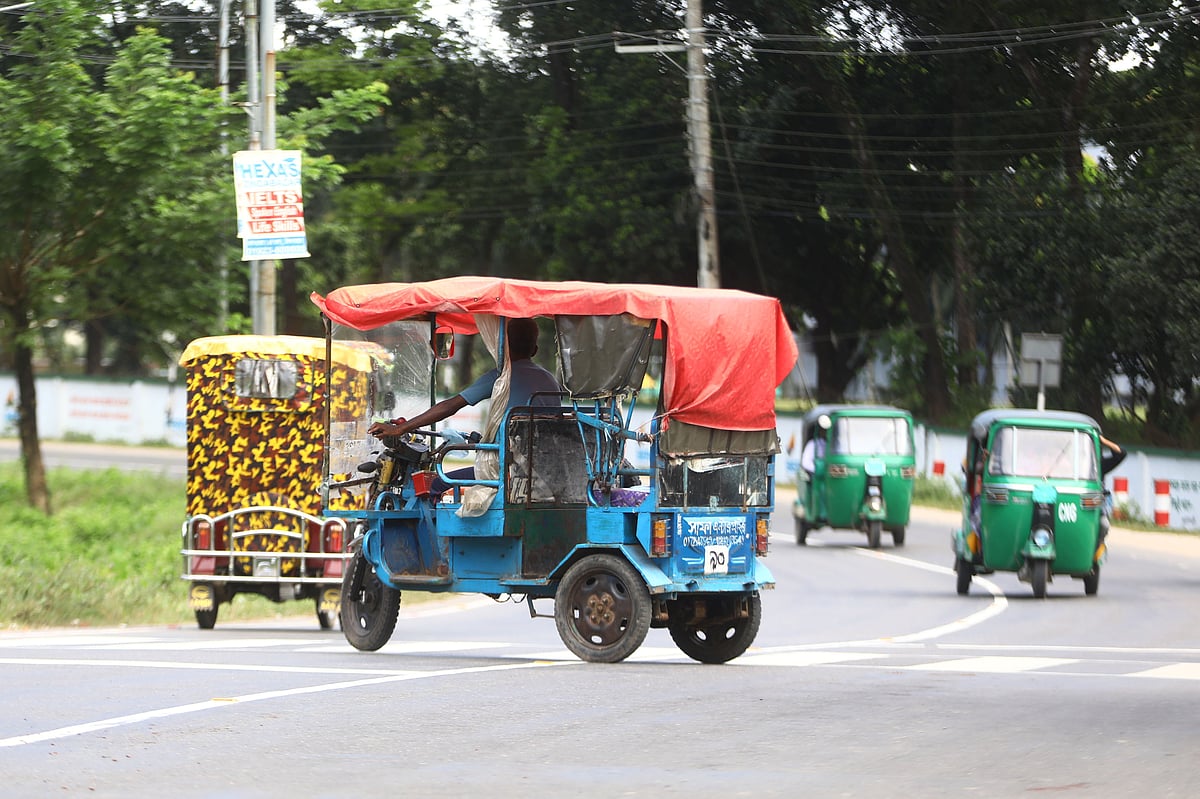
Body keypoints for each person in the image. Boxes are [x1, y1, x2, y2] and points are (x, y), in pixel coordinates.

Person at [368, 317, 561, 440]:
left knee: (437, 485)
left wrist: (401, 429)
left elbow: (451, 405)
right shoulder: (550, 380)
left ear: (502, 346)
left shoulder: (501, 377)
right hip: (542, 464)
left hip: (511, 470)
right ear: (535, 350)